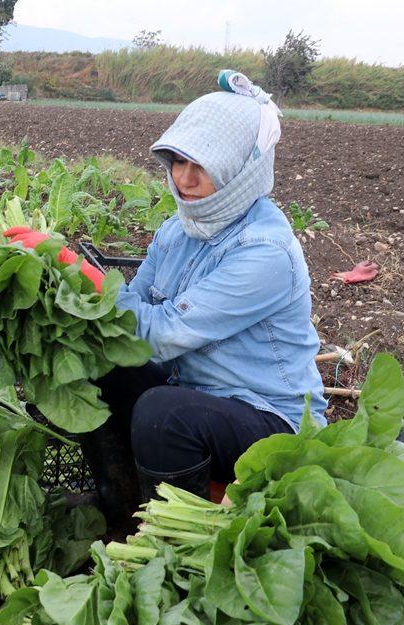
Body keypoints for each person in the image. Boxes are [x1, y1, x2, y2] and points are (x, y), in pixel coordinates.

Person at [93, 70, 327, 504]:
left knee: (163, 415)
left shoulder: (265, 251)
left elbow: (159, 334)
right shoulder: (178, 230)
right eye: (178, 162)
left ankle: (186, 530)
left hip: (271, 421)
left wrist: (88, 280)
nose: (184, 179)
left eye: (201, 165)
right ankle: (121, 506)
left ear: (242, 169)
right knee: (102, 360)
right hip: (200, 397)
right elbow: (130, 314)